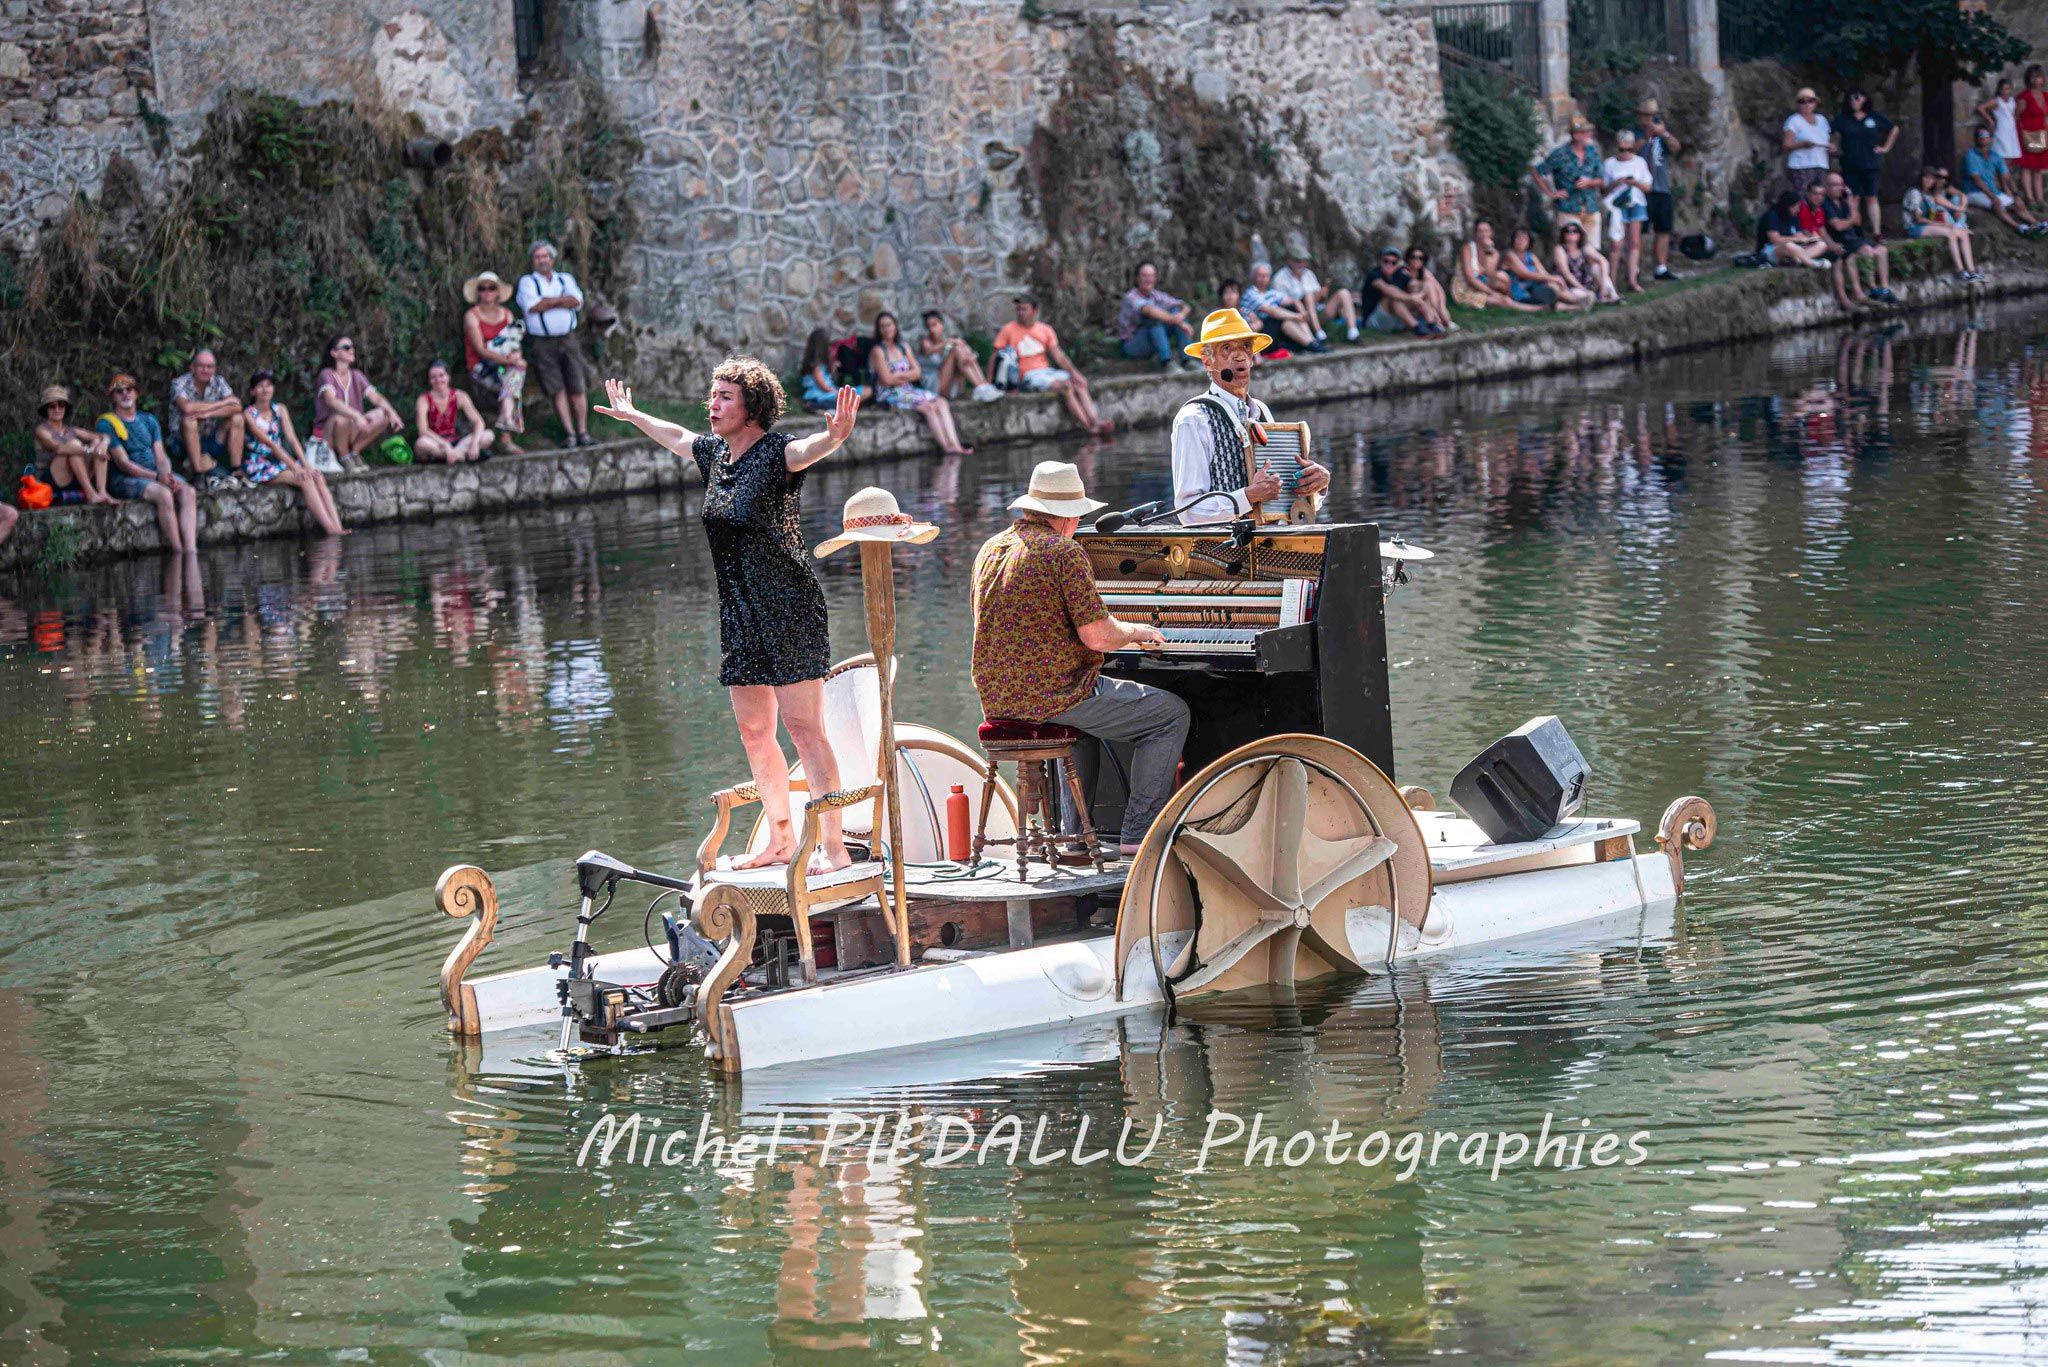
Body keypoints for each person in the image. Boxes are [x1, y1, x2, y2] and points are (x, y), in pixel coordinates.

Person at [594, 364, 864, 871]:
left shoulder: (777, 452)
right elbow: (678, 437)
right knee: (755, 731)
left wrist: (835, 437)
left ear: (751, 408)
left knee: (805, 730)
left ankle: (834, 848)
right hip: (739, 611)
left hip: (788, 607)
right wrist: (634, 416)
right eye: (712, 396)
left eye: (725, 397)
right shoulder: (715, 455)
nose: (713, 405)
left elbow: (808, 450)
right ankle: (780, 840)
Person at [969, 460, 1188, 856]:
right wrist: (1138, 632)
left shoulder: (991, 548)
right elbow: (1098, 636)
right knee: (1171, 714)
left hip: (999, 699)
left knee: (1079, 723)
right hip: (1054, 696)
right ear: (1070, 517)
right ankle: (1138, 836)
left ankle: (1074, 839)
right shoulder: (1063, 552)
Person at [1170, 308, 1330, 525]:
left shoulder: (1262, 412)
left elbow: (1286, 501)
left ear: (1253, 357)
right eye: (1227, 348)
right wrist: (1248, 496)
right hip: (1221, 545)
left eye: (1246, 346)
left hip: (1271, 539)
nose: (1240, 356)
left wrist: (1317, 487)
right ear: (1207, 362)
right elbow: (1188, 511)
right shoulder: (1193, 419)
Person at [96, 373, 199, 554]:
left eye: (129, 389)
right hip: (124, 479)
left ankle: (191, 550)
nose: (125, 394)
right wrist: (158, 478)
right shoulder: (107, 423)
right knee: (164, 494)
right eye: (119, 391)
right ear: (113, 397)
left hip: (155, 474)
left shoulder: (149, 420)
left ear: (136, 393)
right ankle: (178, 551)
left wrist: (167, 476)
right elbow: (123, 463)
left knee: (188, 491)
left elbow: (160, 456)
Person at [243, 369, 348, 535]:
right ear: (252, 391)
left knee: (317, 476)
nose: (265, 389)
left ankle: (338, 526)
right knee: (305, 479)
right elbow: (271, 445)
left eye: (268, 385)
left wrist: (306, 465)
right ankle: (330, 528)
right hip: (260, 464)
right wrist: (296, 468)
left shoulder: (280, 409)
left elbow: (292, 438)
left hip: (280, 461)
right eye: (260, 386)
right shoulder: (248, 414)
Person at [991, 294, 1112, 436]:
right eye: (1018, 309)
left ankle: (1096, 420)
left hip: (1047, 372)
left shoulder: (1045, 329)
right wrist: (990, 383)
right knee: (1066, 387)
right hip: (1028, 376)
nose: (1020, 313)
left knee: (1079, 383)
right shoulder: (1008, 330)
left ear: (1034, 311)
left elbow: (1059, 356)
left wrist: (1075, 373)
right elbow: (996, 357)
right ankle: (1088, 427)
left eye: (1024, 309)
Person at [514, 239, 593, 448]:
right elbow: (533, 307)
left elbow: (576, 301)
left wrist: (548, 302)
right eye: (537, 257)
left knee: (577, 385)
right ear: (532, 260)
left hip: (568, 338)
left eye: (545, 256)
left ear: (552, 259)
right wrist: (561, 300)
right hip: (542, 342)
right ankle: (570, 434)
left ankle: (583, 432)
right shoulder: (527, 282)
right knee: (556, 387)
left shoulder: (565, 279)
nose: (542, 260)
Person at [869, 310, 971, 456]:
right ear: (878, 330)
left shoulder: (903, 347)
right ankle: (947, 448)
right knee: (929, 408)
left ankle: (955, 444)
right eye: (882, 326)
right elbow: (886, 380)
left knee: (941, 402)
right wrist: (906, 376)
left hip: (907, 389)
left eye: (889, 325)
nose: (886, 329)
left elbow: (917, 372)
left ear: (895, 326)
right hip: (889, 393)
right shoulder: (878, 351)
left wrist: (898, 376)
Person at [314, 335, 403, 466]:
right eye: (346, 347)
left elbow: (376, 397)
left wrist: (392, 413)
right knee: (342, 418)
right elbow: (330, 401)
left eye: (353, 347)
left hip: (351, 429)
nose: (352, 350)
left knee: (383, 415)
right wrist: (356, 415)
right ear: (334, 353)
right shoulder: (326, 374)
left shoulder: (357, 375)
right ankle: (344, 457)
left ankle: (354, 453)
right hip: (329, 433)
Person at [463, 269, 526, 453]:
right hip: (481, 366)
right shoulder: (472, 316)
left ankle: (506, 420)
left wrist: (517, 357)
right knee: (514, 379)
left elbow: (514, 342)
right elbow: (480, 350)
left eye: (491, 288)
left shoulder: (506, 314)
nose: (487, 292)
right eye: (483, 288)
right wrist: (510, 362)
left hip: (503, 365)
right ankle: (506, 434)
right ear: (478, 293)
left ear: (497, 292)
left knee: (514, 375)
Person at [168, 349, 246, 490]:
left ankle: (236, 470)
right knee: (189, 420)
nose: (205, 370)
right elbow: (187, 408)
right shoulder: (179, 383)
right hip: (182, 442)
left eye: (210, 366)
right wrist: (221, 403)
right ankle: (198, 474)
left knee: (238, 418)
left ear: (214, 368)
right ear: (192, 367)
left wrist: (209, 414)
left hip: (210, 437)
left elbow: (237, 406)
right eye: (201, 366)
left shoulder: (219, 381)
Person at [1823, 172, 1898, 304]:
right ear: (1827, 187)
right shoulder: (1826, 203)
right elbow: (1838, 226)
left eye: (1841, 185)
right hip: (1842, 240)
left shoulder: (1844, 201)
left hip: (1854, 238)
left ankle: (1885, 288)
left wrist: (1851, 202)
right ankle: (1872, 288)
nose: (1840, 188)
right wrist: (1851, 220)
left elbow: (1857, 221)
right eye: (1835, 185)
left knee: (1882, 250)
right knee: (1867, 250)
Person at [33, 385, 115, 504]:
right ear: (46, 409)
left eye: (61, 405)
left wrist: (104, 443)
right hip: (51, 479)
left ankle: (102, 492)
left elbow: (103, 436)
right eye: (52, 406)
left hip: (75, 477)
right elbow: (58, 448)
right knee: (74, 447)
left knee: (98, 444)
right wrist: (89, 450)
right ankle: (90, 494)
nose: (57, 409)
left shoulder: (72, 430)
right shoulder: (42, 430)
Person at [1536, 115, 1606, 250]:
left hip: (1590, 208)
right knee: (1571, 248)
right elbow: (1537, 172)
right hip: (1568, 209)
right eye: (1585, 132)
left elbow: (1602, 180)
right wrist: (1551, 193)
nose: (1589, 135)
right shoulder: (1560, 154)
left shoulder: (1592, 152)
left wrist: (1589, 182)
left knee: (1591, 250)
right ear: (1575, 135)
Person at [1273, 237, 1361, 344]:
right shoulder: (1280, 278)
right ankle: (1318, 333)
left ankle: (1353, 332)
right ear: (1289, 261)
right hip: (1298, 316)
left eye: (1303, 261)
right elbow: (1279, 304)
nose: (1301, 264)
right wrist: (1303, 301)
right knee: (1308, 296)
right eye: (1298, 261)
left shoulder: (1308, 274)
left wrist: (1321, 294)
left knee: (1344, 293)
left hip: (1317, 311)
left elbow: (1319, 299)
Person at [1835, 90, 1898, 238]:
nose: (1854, 101)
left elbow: (1894, 128)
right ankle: (1854, 230)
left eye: (1857, 98)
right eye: (1851, 99)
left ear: (1864, 99)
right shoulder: (1844, 119)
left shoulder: (1874, 117)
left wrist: (1886, 147)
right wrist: (1833, 146)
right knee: (1853, 198)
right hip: (1850, 164)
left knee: (1872, 197)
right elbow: (1828, 130)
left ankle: (1877, 232)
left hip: (1871, 164)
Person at [1963, 124, 2047, 235]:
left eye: (1986, 135)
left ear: (1991, 139)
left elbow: (2007, 177)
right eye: (1980, 136)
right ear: (1976, 139)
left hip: (1992, 191)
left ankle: (2038, 224)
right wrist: (1993, 197)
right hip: (1973, 192)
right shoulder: (1971, 155)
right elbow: (1977, 181)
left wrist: (2016, 195)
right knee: (1997, 205)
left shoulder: (1995, 155)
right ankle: (2019, 227)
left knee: (2018, 205)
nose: (1983, 138)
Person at [1634, 98, 1684, 280]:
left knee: (1663, 229)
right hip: (1641, 189)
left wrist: (1665, 134)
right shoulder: (1635, 133)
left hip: (1661, 187)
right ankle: (1635, 268)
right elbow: (1629, 150)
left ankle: (1661, 268)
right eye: (1647, 116)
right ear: (1640, 116)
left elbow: (1676, 148)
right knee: (1638, 230)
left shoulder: (1661, 134)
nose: (1650, 119)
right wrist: (1647, 137)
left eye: (1653, 116)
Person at [1902, 167, 1982, 281]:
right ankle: (1960, 271)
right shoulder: (1915, 193)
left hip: (1927, 225)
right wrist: (1941, 225)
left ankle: (1971, 271)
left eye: (1932, 178)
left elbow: (1931, 215)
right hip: (1913, 227)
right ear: (1921, 178)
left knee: (1963, 233)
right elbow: (1918, 219)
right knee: (1950, 233)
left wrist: (1944, 221)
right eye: (1926, 177)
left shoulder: (1929, 194)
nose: (1929, 181)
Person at [1796, 180, 1863, 310]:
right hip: (1805, 246)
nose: (1818, 197)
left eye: (1821, 194)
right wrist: (1829, 245)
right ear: (1808, 194)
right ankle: (1843, 298)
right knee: (1836, 258)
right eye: (1815, 193)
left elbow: (1823, 232)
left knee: (1846, 254)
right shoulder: (1803, 208)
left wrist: (1833, 245)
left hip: (1818, 244)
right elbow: (1806, 233)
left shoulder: (1819, 210)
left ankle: (1856, 293)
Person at [414, 360, 497, 463]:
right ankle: (460, 456)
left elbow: (478, 422)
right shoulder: (423, 400)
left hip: (456, 442)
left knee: (488, 435)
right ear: (429, 380)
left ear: (448, 377)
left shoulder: (459, 396)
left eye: (441, 376)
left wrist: (474, 444)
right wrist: (445, 445)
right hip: (436, 442)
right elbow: (423, 430)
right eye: (433, 377)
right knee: (421, 443)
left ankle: (453, 456)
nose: (438, 380)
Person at [1116, 261, 1196, 367]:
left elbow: (1184, 305)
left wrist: (1181, 316)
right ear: (1137, 278)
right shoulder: (1131, 297)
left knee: (1175, 311)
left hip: (1154, 338)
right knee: (1152, 319)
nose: (1148, 279)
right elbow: (1149, 311)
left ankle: (1187, 361)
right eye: (1145, 276)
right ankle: (1166, 362)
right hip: (1133, 343)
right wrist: (1179, 322)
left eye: (1151, 276)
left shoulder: (1156, 295)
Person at [1602, 129, 1653, 292]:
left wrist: (1634, 183)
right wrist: (1616, 183)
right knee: (1616, 244)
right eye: (1622, 149)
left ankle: (1632, 280)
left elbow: (1648, 187)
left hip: (1636, 202)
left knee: (1635, 242)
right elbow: (1603, 190)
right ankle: (1612, 282)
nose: (1626, 153)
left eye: (1629, 149)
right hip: (1617, 205)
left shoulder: (1639, 162)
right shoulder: (1609, 164)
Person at [1453, 221, 1542, 312]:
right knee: (1500, 300)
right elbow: (1470, 278)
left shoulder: (1494, 253)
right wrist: (1491, 293)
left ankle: (1510, 302)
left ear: (1491, 233)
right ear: (1475, 234)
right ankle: (1535, 309)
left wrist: (1488, 251)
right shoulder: (1468, 248)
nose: (1483, 234)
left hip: (1482, 283)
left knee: (1502, 277)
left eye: (1486, 231)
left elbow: (1490, 274)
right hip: (1465, 288)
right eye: (1480, 231)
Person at [917, 310, 999, 401]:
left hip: (951, 385)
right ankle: (980, 387)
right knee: (956, 350)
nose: (931, 329)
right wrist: (951, 341)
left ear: (942, 324)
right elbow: (929, 350)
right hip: (935, 387)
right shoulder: (925, 342)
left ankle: (983, 386)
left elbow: (963, 351)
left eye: (934, 325)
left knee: (961, 349)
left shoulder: (947, 342)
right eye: (928, 326)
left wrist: (969, 354)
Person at [1241, 261, 1322, 352]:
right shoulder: (1251, 293)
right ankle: (1312, 345)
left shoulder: (1271, 293)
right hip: (1261, 330)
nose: (1263, 278)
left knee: (1291, 309)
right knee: (1282, 319)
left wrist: (1302, 312)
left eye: (1266, 275)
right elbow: (1271, 311)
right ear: (1253, 277)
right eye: (1260, 275)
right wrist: (1297, 316)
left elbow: (1294, 301)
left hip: (1276, 330)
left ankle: (1313, 342)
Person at [1502, 225, 1579, 310]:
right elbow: (1525, 274)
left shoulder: (1531, 256)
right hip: (1520, 294)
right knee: (1549, 295)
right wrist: (1554, 278)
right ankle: (1575, 305)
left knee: (1553, 286)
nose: (1521, 241)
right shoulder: (1509, 255)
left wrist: (1555, 281)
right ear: (1513, 240)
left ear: (1529, 242)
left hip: (1534, 289)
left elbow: (1544, 274)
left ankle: (1578, 300)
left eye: (1525, 239)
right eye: (1518, 238)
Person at [1755, 189, 1830, 269]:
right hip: (1771, 249)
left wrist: (1810, 239)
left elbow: (1799, 235)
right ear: (1788, 206)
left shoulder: (1794, 218)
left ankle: (1798, 260)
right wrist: (1797, 239)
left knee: (1822, 244)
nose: (1798, 210)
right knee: (1789, 246)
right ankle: (1812, 263)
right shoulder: (1772, 216)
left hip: (1793, 249)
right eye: (1795, 207)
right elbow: (1775, 239)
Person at [1553, 220, 1621, 305]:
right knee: (1584, 295)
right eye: (1567, 231)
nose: (1571, 233)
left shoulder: (1584, 247)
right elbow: (1566, 274)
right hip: (1570, 286)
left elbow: (1604, 261)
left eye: (1575, 231)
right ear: (1563, 234)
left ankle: (1613, 296)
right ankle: (1600, 299)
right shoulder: (1560, 249)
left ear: (1580, 234)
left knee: (1596, 267)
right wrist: (1583, 289)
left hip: (1587, 282)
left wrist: (1603, 284)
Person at [1782, 87, 1832, 198]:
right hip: (1801, 166)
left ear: (1815, 103)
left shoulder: (1822, 120)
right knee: (1802, 197)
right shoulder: (1794, 120)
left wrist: (1831, 148)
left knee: (1819, 198)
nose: (1806, 104)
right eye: (1802, 101)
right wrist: (1802, 144)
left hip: (1821, 164)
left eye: (1810, 101)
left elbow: (1827, 141)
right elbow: (1786, 144)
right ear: (1798, 104)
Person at [1402, 247, 1461, 331]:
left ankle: (1440, 319)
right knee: (1424, 287)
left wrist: (1441, 309)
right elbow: (1412, 289)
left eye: (1420, 258)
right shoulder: (1404, 272)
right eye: (1413, 257)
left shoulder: (1424, 272)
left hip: (1425, 304)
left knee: (1429, 285)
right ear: (1408, 258)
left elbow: (1438, 290)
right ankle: (1437, 321)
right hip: (1409, 304)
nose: (1417, 260)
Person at [2018, 66, 2048, 209]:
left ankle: (2040, 199)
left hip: (2040, 135)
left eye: (2039, 77)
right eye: (2034, 77)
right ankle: (2030, 199)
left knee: (2038, 169)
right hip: (2027, 135)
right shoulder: (2024, 96)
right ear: (2029, 79)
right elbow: (2016, 116)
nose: (2037, 80)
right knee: (2027, 167)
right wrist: (2021, 134)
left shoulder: (2045, 96)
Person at [1981, 77, 2023, 168]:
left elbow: (2014, 114)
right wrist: (1990, 120)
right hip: (2002, 131)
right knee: (2003, 157)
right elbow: (1981, 108)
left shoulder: (2012, 100)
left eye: (2008, 89)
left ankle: (2008, 176)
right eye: (2003, 89)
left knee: (2011, 158)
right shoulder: (1997, 101)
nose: (2005, 91)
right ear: (1999, 90)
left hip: (2011, 131)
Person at [798, 328, 839, 414]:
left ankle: (821, 407)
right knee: (843, 400)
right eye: (828, 345)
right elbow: (824, 387)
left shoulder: (823, 364)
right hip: (817, 396)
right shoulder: (816, 367)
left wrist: (833, 365)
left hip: (825, 394)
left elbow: (831, 379)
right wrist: (837, 392)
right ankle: (813, 406)